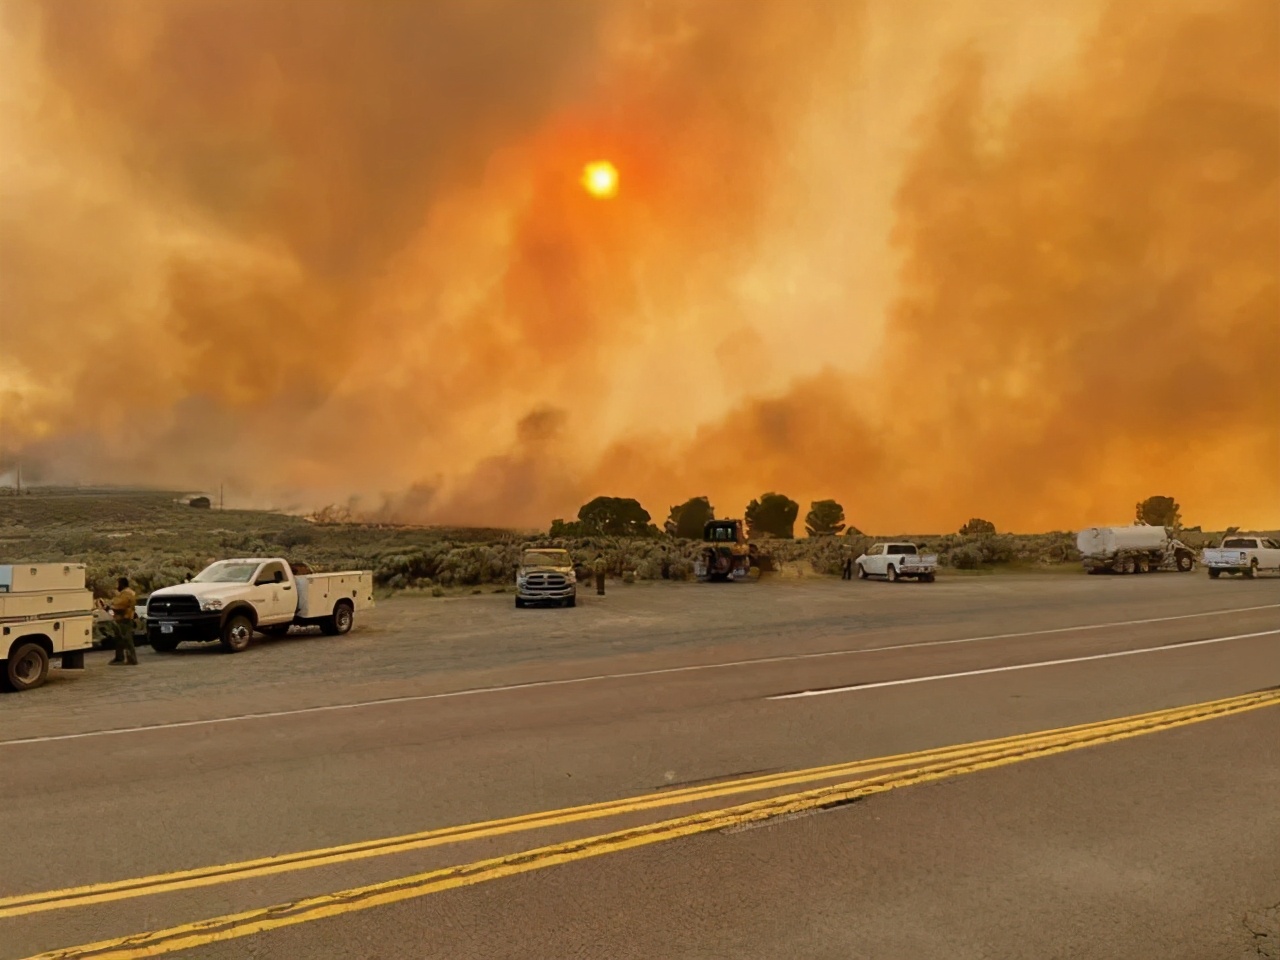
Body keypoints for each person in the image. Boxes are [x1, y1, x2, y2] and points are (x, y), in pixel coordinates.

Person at [106, 576, 138, 665]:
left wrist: (110, 607)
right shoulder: (127, 593)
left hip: (125, 619)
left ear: (122, 584)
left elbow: (120, 606)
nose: (117, 586)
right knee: (120, 640)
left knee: (127, 640)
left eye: (118, 584)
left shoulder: (126, 594)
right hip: (122, 619)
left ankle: (131, 659)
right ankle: (119, 658)